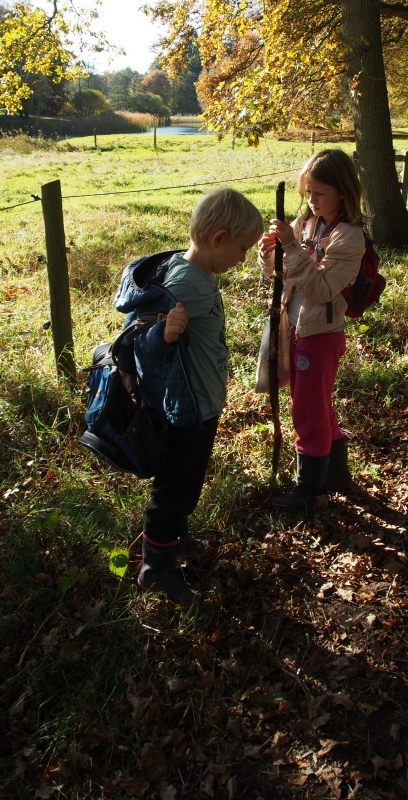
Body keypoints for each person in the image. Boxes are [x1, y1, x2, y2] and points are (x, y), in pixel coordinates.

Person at [125, 188, 263, 602]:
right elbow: (137, 340)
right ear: (219, 239)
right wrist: (163, 335)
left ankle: (175, 538)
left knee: (187, 480)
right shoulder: (185, 282)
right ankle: (156, 569)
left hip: (201, 403)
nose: (242, 260)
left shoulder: (195, 273)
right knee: (174, 488)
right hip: (185, 409)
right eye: (241, 250)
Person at [258, 150, 366, 511]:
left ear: (343, 192)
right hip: (296, 325)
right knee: (316, 404)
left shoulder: (349, 238)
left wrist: (290, 245)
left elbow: (321, 288)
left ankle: (309, 489)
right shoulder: (306, 223)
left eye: (319, 193)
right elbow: (283, 275)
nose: (311, 200)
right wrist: (269, 254)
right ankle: (334, 474)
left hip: (322, 335)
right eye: (308, 192)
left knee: (308, 409)